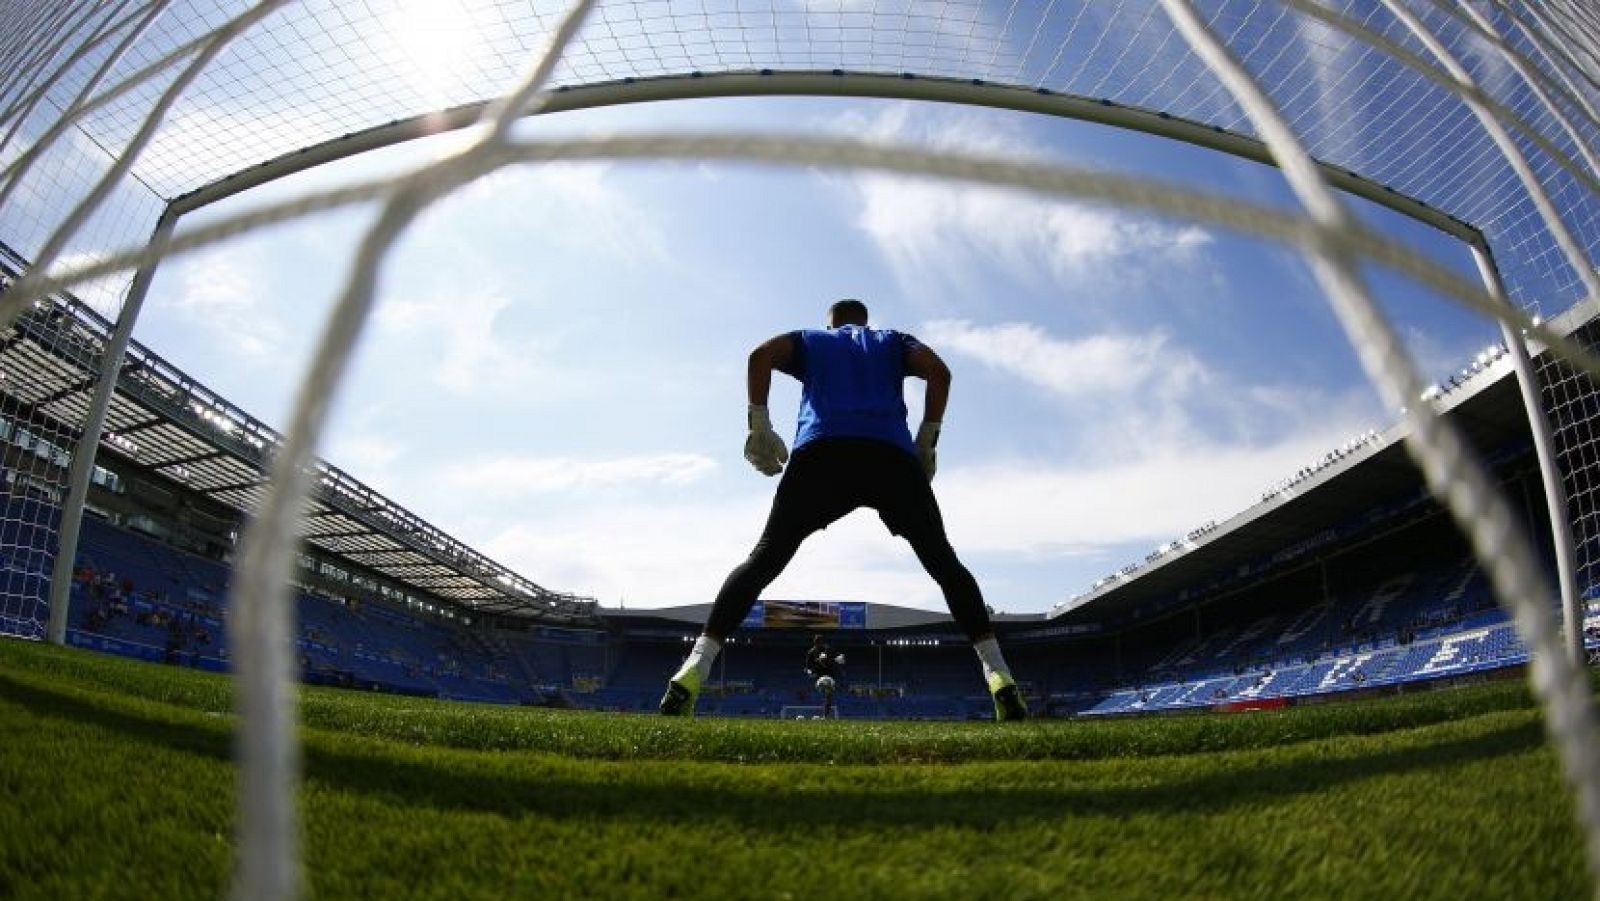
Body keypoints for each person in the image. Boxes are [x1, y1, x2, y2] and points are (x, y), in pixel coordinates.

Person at [659, 298, 1026, 720]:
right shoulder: (892, 342)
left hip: (822, 453)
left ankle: (693, 668)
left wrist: (759, 424)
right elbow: (939, 372)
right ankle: (1000, 676)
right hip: (889, 456)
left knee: (763, 560)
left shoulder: (813, 340)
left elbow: (759, 355)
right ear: (866, 321)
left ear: (829, 321)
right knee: (943, 562)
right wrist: (927, 439)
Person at [804, 635, 844, 719]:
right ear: (815, 643)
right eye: (817, 643)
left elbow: (840, 657)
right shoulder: (811, 652)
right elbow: (807, 667)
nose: (818, 645)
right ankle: (824, 715)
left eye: (820, 643)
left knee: (829, 695)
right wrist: (809, 672)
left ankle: (825, 716)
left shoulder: (828, 649)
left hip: (829, 675)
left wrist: (839, 658)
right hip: (819, 675)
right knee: (826, 694)